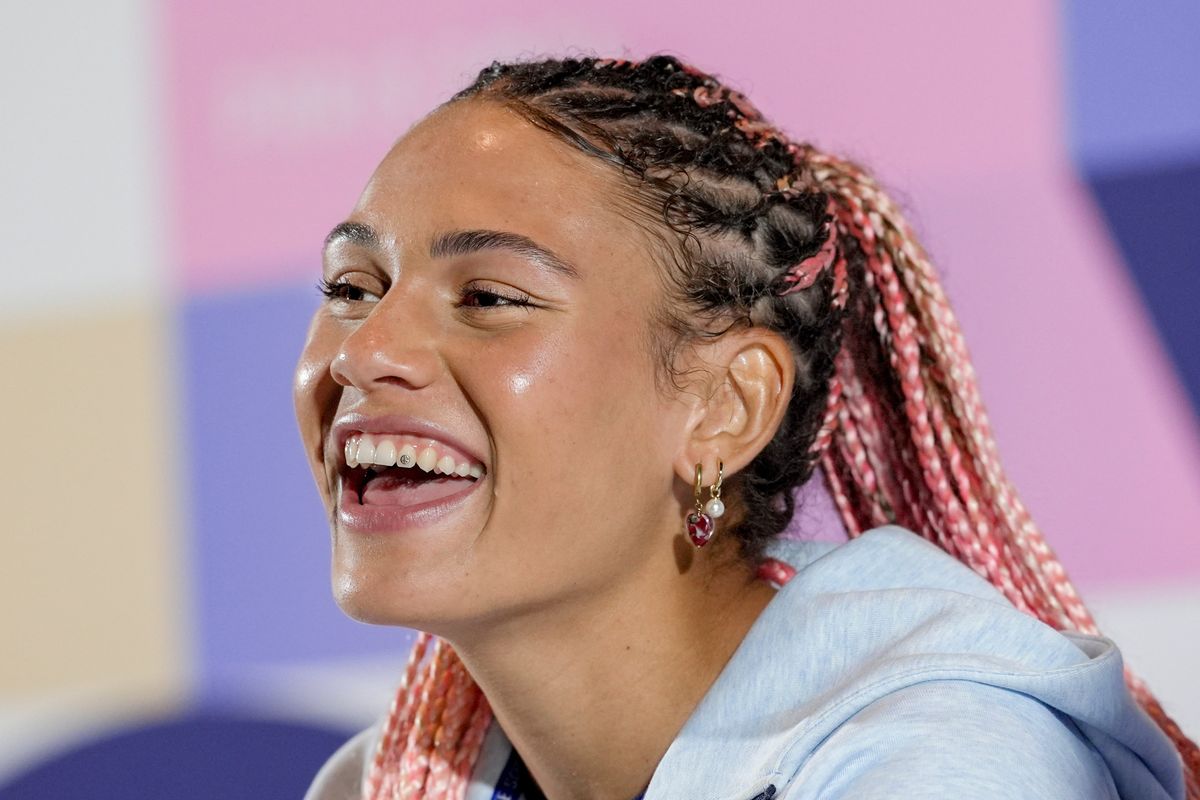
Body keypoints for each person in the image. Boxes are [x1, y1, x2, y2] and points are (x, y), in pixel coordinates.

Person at [293, 54, 1197, 799]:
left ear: (728, 407)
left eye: (489, 297)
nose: (363, 350)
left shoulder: (952, 766)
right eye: (349, 288)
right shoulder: (385, 778)